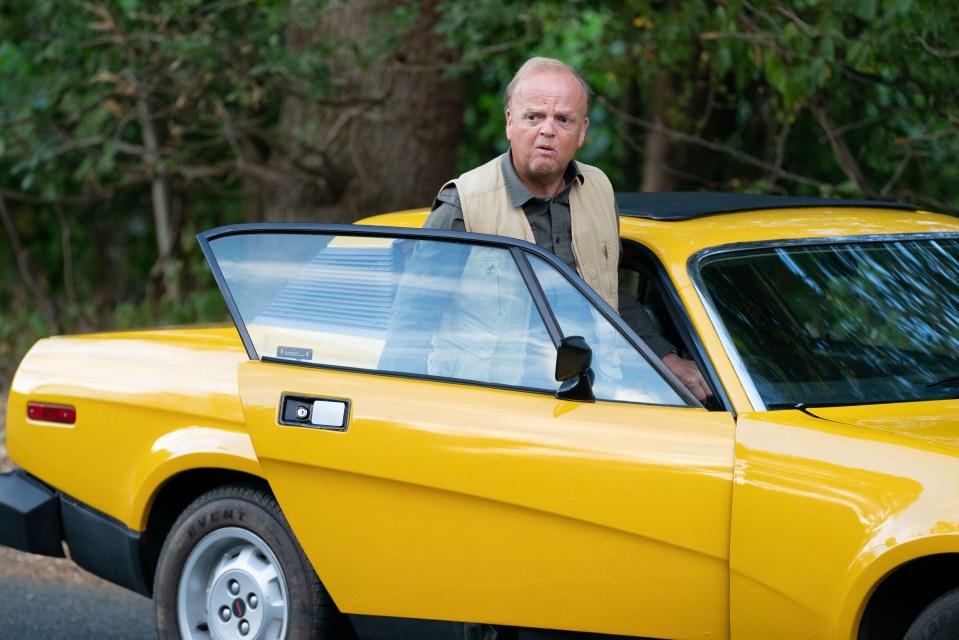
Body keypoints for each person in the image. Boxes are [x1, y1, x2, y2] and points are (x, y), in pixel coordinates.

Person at [424, 56, 712, 403]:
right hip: (494, 405)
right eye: (534, 117)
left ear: (582, 131)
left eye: (564, 119)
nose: (548, 130)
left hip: (595, 396)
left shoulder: (599, 189)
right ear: (509, 123)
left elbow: (609, 291)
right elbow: (415, 316)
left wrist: (666, 359)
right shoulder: (463, 204)